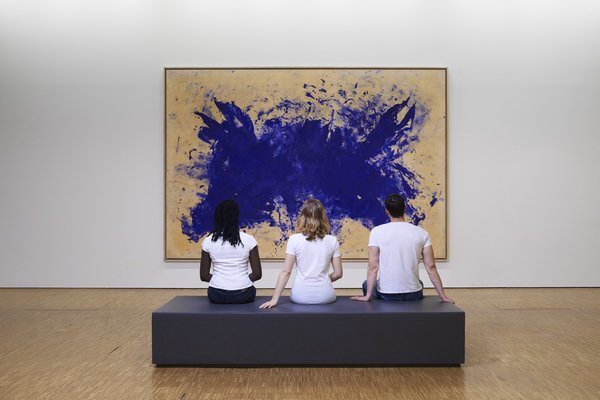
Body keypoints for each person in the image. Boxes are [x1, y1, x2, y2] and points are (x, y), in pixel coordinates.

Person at [351, 194, 454, 303]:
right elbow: (431, 267)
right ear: (405, 208)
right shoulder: (422, 233)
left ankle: (379, 313)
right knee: (419, 283)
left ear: (387, 212)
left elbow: (373, 266)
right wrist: (443, 296)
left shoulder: (376, 232)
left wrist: (368, 296)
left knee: (366, 284)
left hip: (387, 295)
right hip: (413, 294)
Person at [260, 199, 343, 308]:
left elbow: (286, 272)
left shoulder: (294, 240)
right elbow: (338, 274)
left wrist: (274, 300)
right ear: (322, 217)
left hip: (300, 296)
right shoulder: (333, 240)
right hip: (325, 296)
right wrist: (324, 280)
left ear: (303, 217)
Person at [200, 199, 262, 304]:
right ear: (236, 217)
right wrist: (242, 282)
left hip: (217, 294)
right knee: (251, 290)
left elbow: (204, 276)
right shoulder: (249, 239)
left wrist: (220, 282)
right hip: (243, 294)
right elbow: (257, 274)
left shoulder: (208, 241)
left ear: (217, 217)